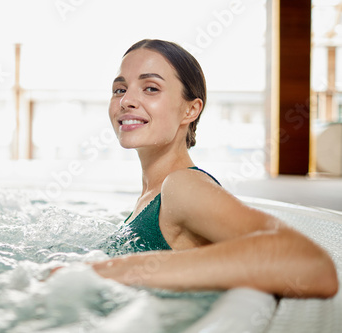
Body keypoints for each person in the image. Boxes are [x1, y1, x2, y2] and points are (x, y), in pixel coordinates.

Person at [88, 39, 338, 298]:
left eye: (150, 88)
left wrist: (118, 269)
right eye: (119, 90)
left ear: (190, 110)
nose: (126, 100)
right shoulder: (150, 196)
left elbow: (313, 266)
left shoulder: (182, 186)